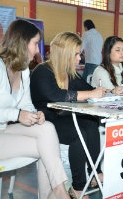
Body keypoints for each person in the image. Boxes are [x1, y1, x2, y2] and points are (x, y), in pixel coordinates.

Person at [30, 31, 106, 199]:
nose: (79, 58)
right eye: (76, 54)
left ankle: (95, 172)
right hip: (45, 122)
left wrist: (108, 92)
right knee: (79, 133)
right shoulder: (42, 71)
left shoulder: (69, 72)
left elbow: (87, 88)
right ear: (65, 53)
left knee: (91, 123)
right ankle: (78, 187)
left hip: (63, 118)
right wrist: (91, 94)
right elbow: (56, 95)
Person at [0, 19, 70, 199]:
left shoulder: (23, 70)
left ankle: (57, 192)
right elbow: (16, 112)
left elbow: (25, 104)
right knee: (47, 148)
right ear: (22, 43)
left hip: (5, 129)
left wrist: (34, 114)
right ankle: (58, 194)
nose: (38, 50)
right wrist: (17, 114)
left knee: (46, 128)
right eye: (35, 44)